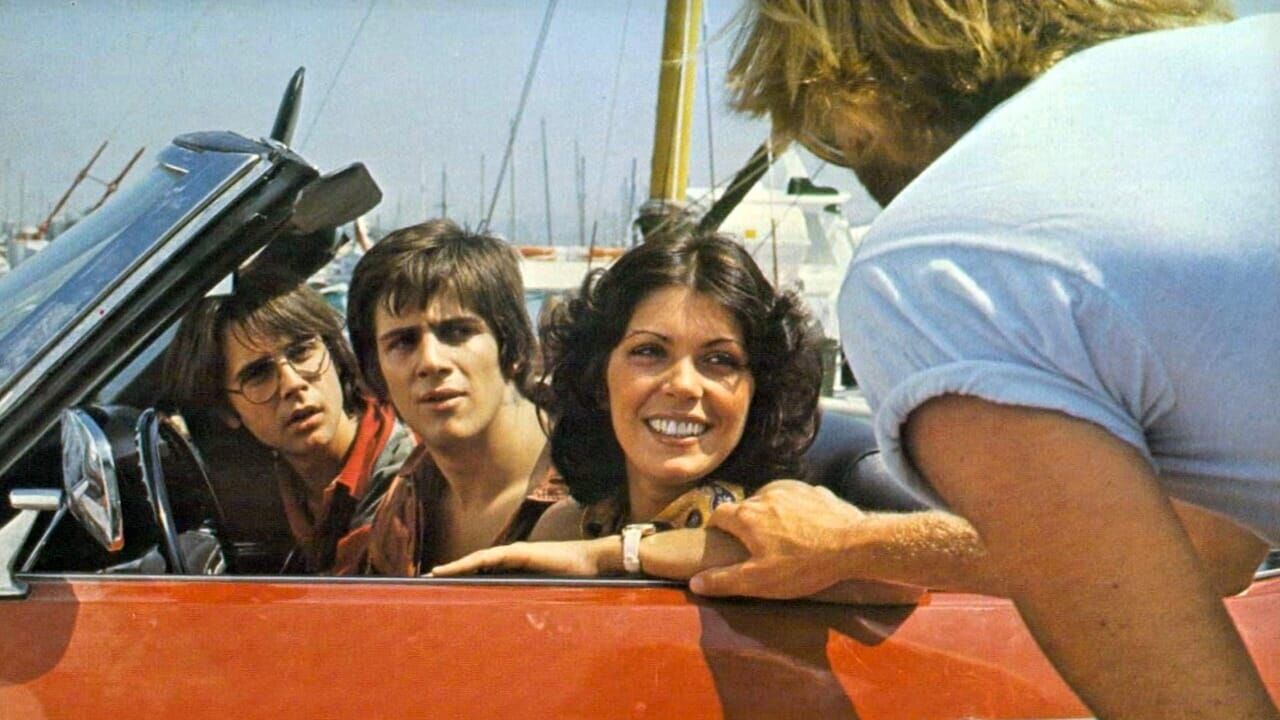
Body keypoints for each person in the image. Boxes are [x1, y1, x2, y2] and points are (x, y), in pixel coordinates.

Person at [689, 2, 1279, 717]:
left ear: (853, 105)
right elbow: (1206, 545)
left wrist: (848, 543)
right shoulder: (1241, 67)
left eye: (824, 136)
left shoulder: (941, 267)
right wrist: (852, 544)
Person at [432, 231, 954, 604]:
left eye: (719, 360)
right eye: (648, 352)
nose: (683, 384)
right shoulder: (567, 526)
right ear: (599, 377)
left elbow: (898, 579)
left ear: (756, 391)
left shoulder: (788, 513)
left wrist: (612, 556)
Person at [345, 219, 566, 574]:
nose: (431, 362)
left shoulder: (600, 487)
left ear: (510, 345)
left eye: (458, 332)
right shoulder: (404, 500)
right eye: (403, 342)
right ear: (376, 370)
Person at [163, 272, 413, 575]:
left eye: (301, 351)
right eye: (259, 374)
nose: (292, 383)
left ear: (333, 355)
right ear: (227, 410)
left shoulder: (405, 475)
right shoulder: (268, 491)